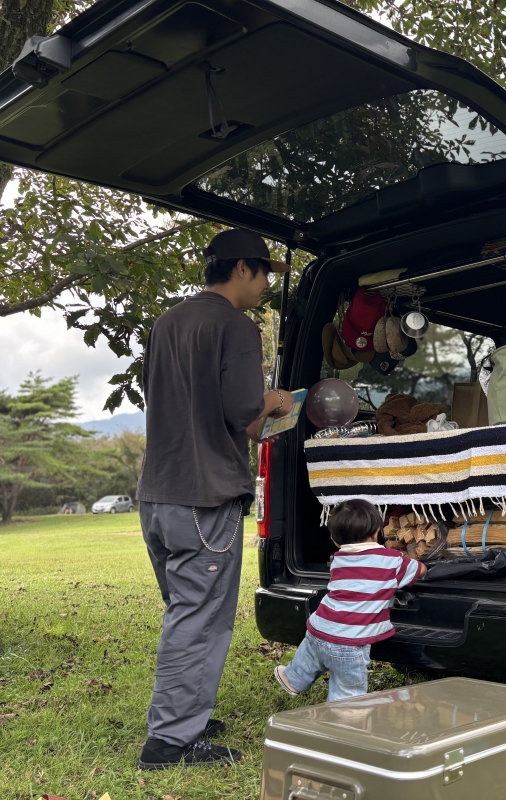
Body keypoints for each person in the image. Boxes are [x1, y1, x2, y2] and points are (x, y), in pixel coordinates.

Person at [136, 229, 295, 770]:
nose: (268, 283)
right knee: (199, 618)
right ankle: (171, 743)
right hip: (204, 500)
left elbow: (183, 402)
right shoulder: (236, 326)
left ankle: (185, 716)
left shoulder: (167, 323)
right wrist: (276, 400)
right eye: (265, 272)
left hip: (157, 494)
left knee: (187, 612)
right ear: (243, 268)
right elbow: (244, 409)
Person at [273, 499, 426, 701]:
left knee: (310, 658)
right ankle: (345, 717)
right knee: (348, 694)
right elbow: (421, 570)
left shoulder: (338, 559)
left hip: (319, 628)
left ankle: (293, 678)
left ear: (335, 541)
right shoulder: (392, 560)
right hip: (349, 644)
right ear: (377, 530)